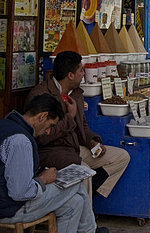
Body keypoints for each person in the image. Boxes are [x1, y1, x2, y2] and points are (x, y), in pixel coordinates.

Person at [26, 51, 130, 200]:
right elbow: (42, 138)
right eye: (81, 70)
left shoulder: (76, 93)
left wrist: (92, 142)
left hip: (75, 147)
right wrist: (69, 117)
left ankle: (86, 195)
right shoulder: (42, 95)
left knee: (121, 157)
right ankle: (86, 216)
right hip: (51, 152)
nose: (84, 73)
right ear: (70, 75)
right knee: (84, 171)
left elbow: (83, 125)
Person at [0, 94, 107, 233]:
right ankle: (90, 231)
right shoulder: (20, 141)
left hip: (7, 202)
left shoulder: (7, 123)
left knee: (75, 203)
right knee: (76, 184)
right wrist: (43, 179)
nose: (48, 131)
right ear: (42, 116)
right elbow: (20, 192)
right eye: (50, 125)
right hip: (10, 209)